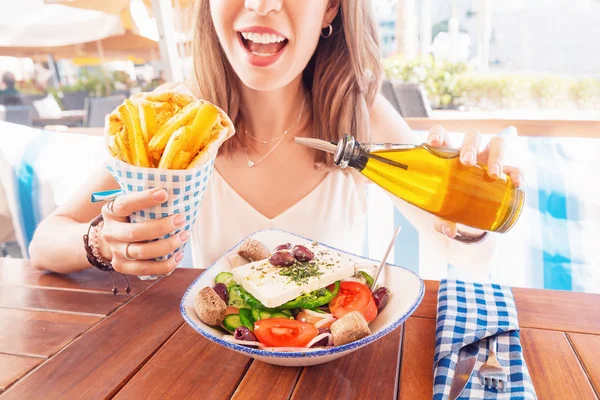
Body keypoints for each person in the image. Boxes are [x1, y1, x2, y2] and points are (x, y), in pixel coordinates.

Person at [29, 0, 523, 278]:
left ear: (330, 7)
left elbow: (467, 252)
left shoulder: (360, 114)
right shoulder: (171, 118)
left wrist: (473, 212)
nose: (261, 5)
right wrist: (100, 242)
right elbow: (45, 241)